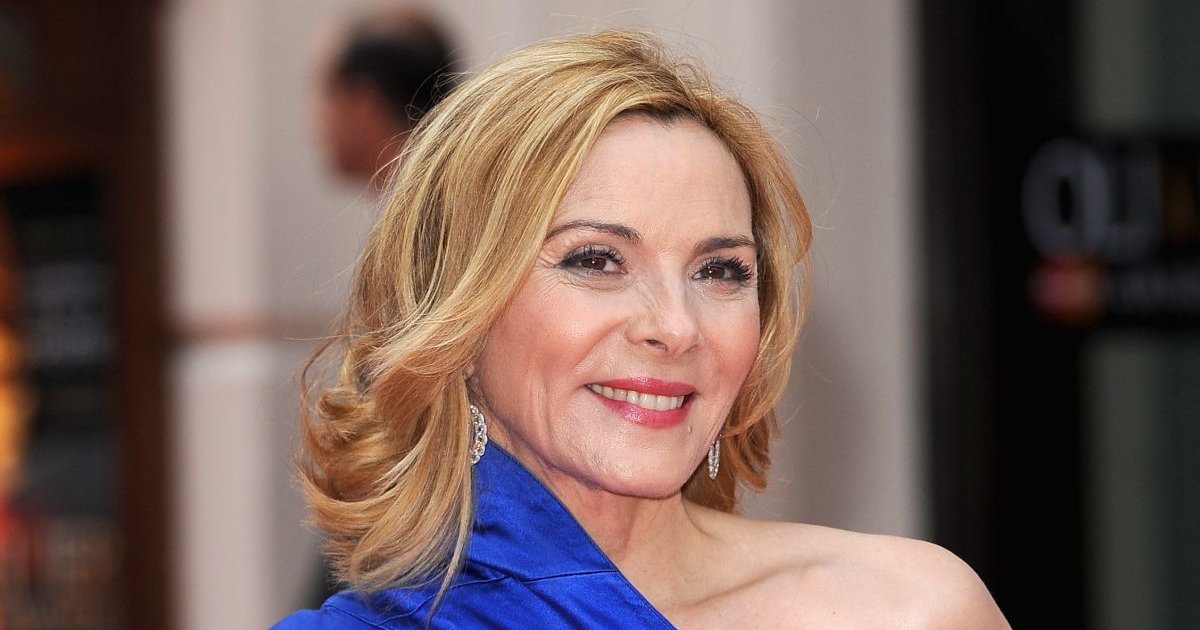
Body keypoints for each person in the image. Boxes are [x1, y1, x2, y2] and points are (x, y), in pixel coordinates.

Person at [274, 29, 1010, 629]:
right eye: (597, 260)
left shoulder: (909, 610)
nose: (675, 327)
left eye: (719, 271)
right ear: (458, 318)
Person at [314, 6, 458, 185]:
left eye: (327, 96)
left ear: (363, 103)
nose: (316, 119)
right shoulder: (456, 186)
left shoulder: (427, 198)